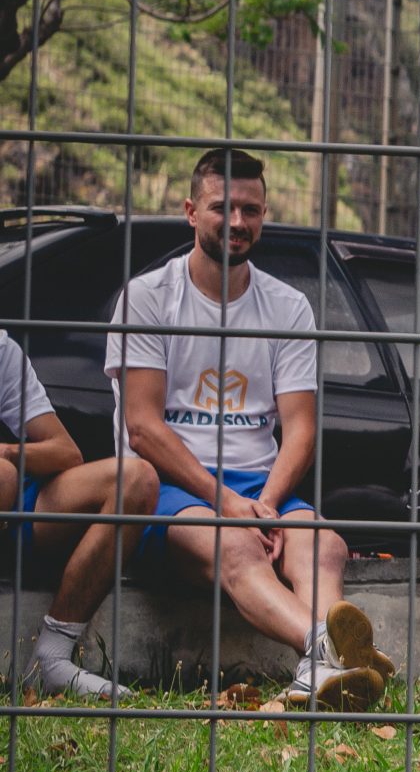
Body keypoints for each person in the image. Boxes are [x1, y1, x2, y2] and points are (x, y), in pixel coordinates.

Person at [108, 147, 384, 709]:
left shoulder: (288, 306)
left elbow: (301, 430)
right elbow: (143, 429)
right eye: (222, 207)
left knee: (324, 543)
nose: (238, 221)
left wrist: (269, 505)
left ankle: (321, 676)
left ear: (264, 215)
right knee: (236, 545)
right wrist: (230, 505)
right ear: (191, 211)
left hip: (259, 486)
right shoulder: (148, 297)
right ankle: (327, 654)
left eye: (251, 210)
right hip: (169, 486)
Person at [1, 328, 161, 698]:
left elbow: (64, 451)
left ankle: (52, 658)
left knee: (134, 479)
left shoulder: (1, 349)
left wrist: (8, 451)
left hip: (19, 505)